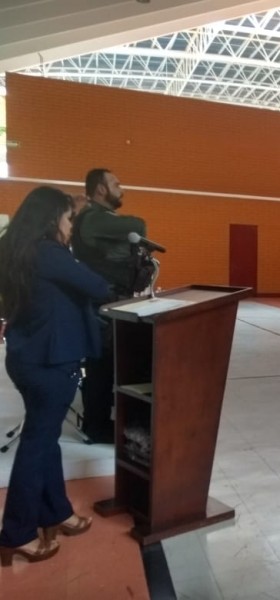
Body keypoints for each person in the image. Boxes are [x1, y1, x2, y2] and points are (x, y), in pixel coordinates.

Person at [0, 187, 111, 566]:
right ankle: (17, 533)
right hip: (51, 363)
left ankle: (56, 512)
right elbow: (97, 286)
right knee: (36, 445)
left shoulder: (15, 249)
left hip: (26, 357)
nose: (70, 227)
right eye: (68, 219)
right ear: (51, 220)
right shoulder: (49, 253)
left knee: (45, 440)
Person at [71, 169, 147, 443]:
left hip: (110, 301)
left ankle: (103, 420)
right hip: (101, 304)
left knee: (107, 364)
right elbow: (137, 226)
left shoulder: (99, 219)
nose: (121, 188)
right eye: (116, 183)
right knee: (101, 365)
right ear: (101, 189)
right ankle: (98, 426)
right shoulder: (93, 219)